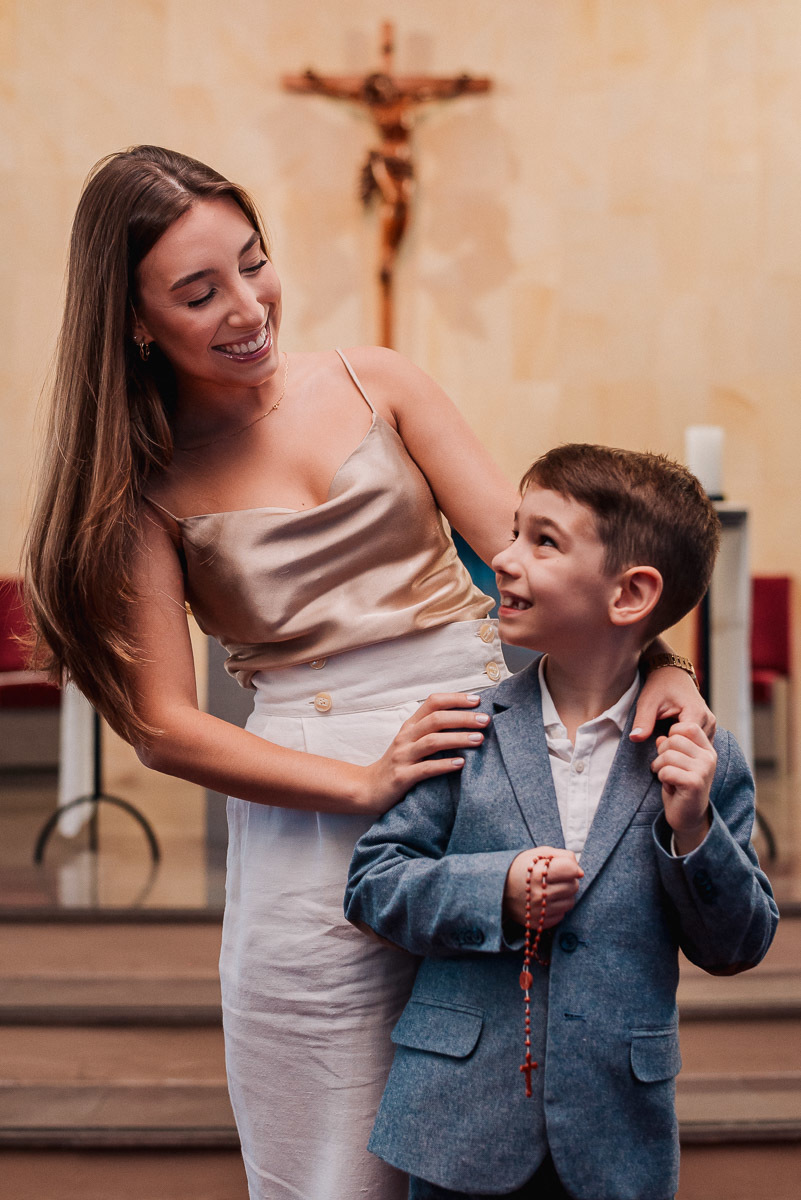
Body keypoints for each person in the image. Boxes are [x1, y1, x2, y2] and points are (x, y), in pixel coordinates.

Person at [25, 147, 710, 1200]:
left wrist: (658, 666)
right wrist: (360, 784)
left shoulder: (375, 381)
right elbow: (162, 725)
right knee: (331, 1148)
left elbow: (532, 563)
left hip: (486, 764)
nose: (248, 307)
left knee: (502, 1104)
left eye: (254, 262)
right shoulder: (142, 487)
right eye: (198, 294)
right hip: (308, 808)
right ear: (133, 321)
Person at [346, 444, 779, 1200]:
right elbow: (374, 885)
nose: (503, 558)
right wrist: (496, 891)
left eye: (541, 541)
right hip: (459, 1124)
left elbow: (737, 945)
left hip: (615, 1133)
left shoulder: (700, 758)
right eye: (514, 530)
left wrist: (693, 831)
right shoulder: (464, 730)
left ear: (630, 594)